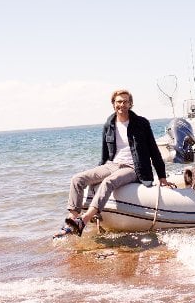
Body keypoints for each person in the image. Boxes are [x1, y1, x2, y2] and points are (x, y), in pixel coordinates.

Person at [57, 89, 174, 237]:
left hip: (134, 168)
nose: (122, 104)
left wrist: (162, 177)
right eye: (119, 101)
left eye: (125, 101)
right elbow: (105, 153)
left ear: (130, 104)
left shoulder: (141, 123)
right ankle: (71, 221)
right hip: (112, 164)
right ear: (113, 104)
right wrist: (96, 175)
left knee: (108, 182)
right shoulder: (109, 124)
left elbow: (154, 150)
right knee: (77, 179)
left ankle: (84, 220)